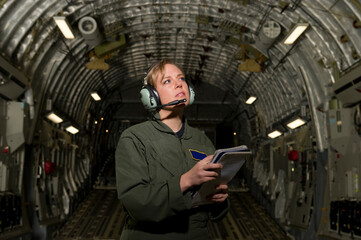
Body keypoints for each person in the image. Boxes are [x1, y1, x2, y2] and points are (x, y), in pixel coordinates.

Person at [115, 59, 229, 240]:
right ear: (151, 96)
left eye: (181, 79)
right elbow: (136, 203)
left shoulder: (202, 140)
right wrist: (186, 181)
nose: (178, 84)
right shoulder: (135, 138)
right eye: (167, 81)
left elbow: (210, 204)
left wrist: (219, 200)